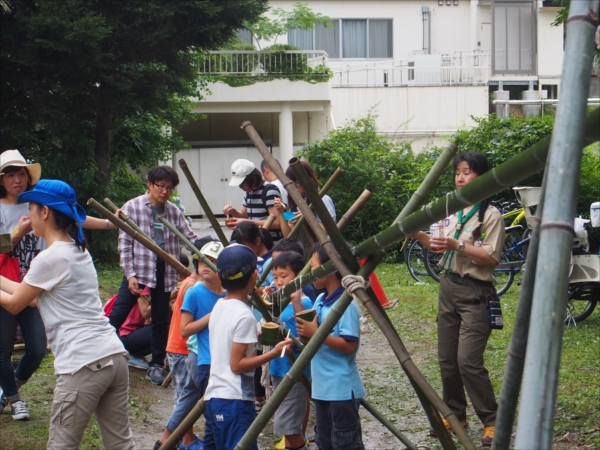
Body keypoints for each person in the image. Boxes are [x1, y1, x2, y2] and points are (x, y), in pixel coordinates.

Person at [0, 179, 134, 449]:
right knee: (121, 444)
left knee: (61, 446)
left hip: (83, 364)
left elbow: (15, 304)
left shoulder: (50, 258)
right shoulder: (77, 251)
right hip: (113, 358)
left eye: (32, 209)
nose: (29, 216)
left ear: (46, 212)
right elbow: (32, 299)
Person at [408, 152, 504, 447]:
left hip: (475, 293)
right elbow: (441, 247)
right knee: (447, 360)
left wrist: (458, 244)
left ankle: (492, 421)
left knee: (468, 361)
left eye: (467, 172)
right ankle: (457, 416)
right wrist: (418, 234)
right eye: (458, 172)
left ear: (482, 177)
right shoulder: (454, 209)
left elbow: (490, 257)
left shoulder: (491, 214)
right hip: (448, 288)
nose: (460, 178)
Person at [109, 165, 199, 385]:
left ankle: (156, 364)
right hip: (139, 268)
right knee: (117, 315)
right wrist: (129, 275)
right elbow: (125, 245)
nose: (165, 191)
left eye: (170, 188)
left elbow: (190, 238)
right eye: (161, 186)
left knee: (160, 319)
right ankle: (103, 354)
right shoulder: (133, 207)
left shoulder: (173, 211)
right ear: (149, 185)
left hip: (165, 270)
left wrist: (208, 251)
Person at [203, 244, 292, 450]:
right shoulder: (244, 315)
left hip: (215, 396)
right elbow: (237, 365)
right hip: (235, 400)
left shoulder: (219, 306)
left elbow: (227, 345)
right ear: (254, 275)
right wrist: (275, 353)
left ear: (220, 276)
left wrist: (255, 340)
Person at [154, 238, 224, 450]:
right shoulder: (194, 289)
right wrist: (214, 316)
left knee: (189, 399)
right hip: (197, 356)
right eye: (203, 261)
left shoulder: (227, 293)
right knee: (207, 403)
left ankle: (165, 441)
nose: (205, 266)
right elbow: (185, 329)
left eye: (212, 262)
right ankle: (188, 441)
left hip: (213, 356)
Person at [296, 243, 365, 450]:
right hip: (322, 388)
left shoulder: (345, 304)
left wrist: (316, 333)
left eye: (315, 266)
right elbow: (308, 330)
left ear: (332, 269)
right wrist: (296, 301)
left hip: (341, 389)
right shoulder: (319, 300)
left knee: (345, 442)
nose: (311, 272)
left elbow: (350, 345)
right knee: (324, 440)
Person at [270, 251, 313, 450]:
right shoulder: (279, 300)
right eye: (275, 276)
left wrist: (295, 300)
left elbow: (306, 334)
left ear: (298, 276)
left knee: (290, 427)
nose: (278, 281)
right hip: (279, 368)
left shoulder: (304, 302)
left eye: (283, 276)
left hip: (295, 371)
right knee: (286, 425)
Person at [231, 221, 274, 413]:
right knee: (255, 357)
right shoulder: (250, 262)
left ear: (257, 241)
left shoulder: (273, 262)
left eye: (245, 245)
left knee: (267, 358)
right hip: (252, 317)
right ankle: (258, 399)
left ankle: (267, 396)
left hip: (267, 317)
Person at [279, 161, 336, 259]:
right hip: (300, 256)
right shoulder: (294, 201)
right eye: (290, 183)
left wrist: (308, 218)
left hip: (320, 255)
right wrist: (281, 213)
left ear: (307, 180)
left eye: (296, 182)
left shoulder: (323, 199)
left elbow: (330, 233)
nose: (293, 186)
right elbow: (288, 235)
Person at [222, 159, 283, 240]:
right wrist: (233, 212)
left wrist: (246, 223)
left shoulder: (270, 190)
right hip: (255, 241)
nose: (240, 187)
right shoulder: (248, 193)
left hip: (270, 242)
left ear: (253, 177)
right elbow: (244, 216)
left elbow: (277, 223)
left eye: (242, 183)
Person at [103, 288, 151, 370]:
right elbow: (145, 314)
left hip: (120, 334)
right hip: (123, 335)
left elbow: (147, 322)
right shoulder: (144, 290)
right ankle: (132, 356)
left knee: (160, 330)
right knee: (163, 331)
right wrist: (165, 300)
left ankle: (134, 355)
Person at [271, 238, 316, 303]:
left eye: (281, 260)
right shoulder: (278, 283)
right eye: (273, 261)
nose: (276, 264)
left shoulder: (306, 289)